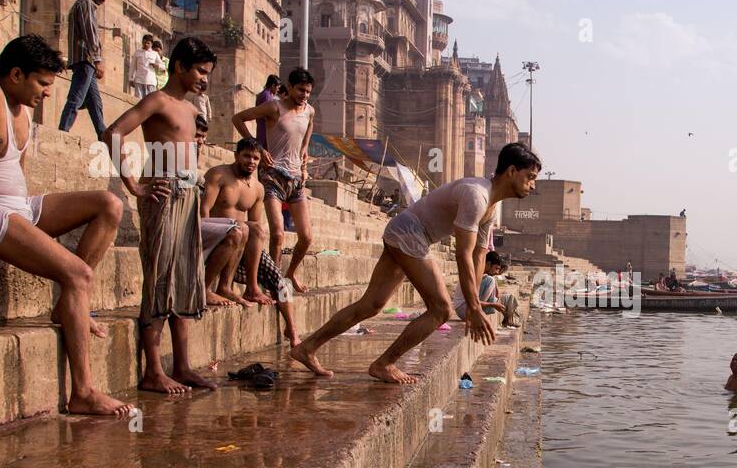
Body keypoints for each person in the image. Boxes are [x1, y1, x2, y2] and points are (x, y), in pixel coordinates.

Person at [0, 35, 128, 416]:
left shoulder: (22, 109)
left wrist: (28, 224)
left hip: (14, 207)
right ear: (15, 74)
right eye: (41, 83)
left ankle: (68, 308)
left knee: (109, 204)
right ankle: (84, 392)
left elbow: (16, 175)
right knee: (76, 274)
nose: (46, 93)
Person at [290, 141, 540, 383]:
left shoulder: (490, 208)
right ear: (511, 171)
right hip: (409, 233)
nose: (532, 185)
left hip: (405, 233)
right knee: (440, 309)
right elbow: (462, 254)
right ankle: (384, 363)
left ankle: (307, 347)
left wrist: (473, 301)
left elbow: (478, 256)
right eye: (529, 176)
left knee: (371, 305)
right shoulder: (477, 196)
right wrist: (472, 307)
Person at [101, 36, 218, 395]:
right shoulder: (158, 100)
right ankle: (153, 371)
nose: (204, 79)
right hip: (161, 193)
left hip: (187, 195)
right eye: (200, 71)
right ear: (180, 66)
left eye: (208, 73)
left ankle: (181, 365)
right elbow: (113, 133)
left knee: (185, 279)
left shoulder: (191, 109)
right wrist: (133, 184)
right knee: (158, 281)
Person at [201, 137, 300, 346]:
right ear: (236, 155)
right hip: (218, 240)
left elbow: (256, 227)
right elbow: (204, 212)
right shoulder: (218, 175)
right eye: (246, 156)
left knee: (283, 283)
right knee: (244, 228)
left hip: (241, 245)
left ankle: (292, 331)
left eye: (255, 158)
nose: (251, 161)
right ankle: (219, 287)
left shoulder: (257, 188)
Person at [231, 67, 316, 293]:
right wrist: (256, 147)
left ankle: (289, 275)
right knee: (277, 233)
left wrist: (305, 148)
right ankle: (275, 283)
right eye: (300, 90)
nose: (304, 96)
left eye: (308, 92)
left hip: (296, 178)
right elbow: (238, 118)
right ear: (289, 87)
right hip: (272, 175)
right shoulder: (274, 107)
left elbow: (309, 126)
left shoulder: (309, 111)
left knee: (306, 237)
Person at [58, 0, 113, 136]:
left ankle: (102, 135)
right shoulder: (85, 4)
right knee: (76, 98)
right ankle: (63, 131)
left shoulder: (83, 5)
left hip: (86, 60)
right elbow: (90, 33)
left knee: (95, 102)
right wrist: (98, 60)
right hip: (85, 59)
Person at [454, 251, 518, 327]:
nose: (497, 272)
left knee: (509, 298)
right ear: (488, 264)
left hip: (469, 307)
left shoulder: (485, 276)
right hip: (463, 309)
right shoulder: (478, 274)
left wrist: (495, 302)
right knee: (491, 282)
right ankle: (479, 312)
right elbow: (472, 301)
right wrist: (493, 304)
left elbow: (497, 295)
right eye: (496, 268)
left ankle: (508, 321)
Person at [255, 74, 282, 151]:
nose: (278, 90)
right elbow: (268, 114)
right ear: (273, 86)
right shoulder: (266, 96)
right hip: (265, 128)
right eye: (277, 87)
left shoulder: (267, 95)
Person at [128, 34, 159, 99]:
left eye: (148, 43)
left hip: (150, 82)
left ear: (151, 44)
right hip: (139, 81)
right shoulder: (137, 53)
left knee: (150, 102)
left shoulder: (155, 54)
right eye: (144, 42)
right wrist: (130, 79)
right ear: (142, 42)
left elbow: (163, 66)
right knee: (138, 101)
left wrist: (156, 65)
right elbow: (132, 67)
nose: (146, 44)